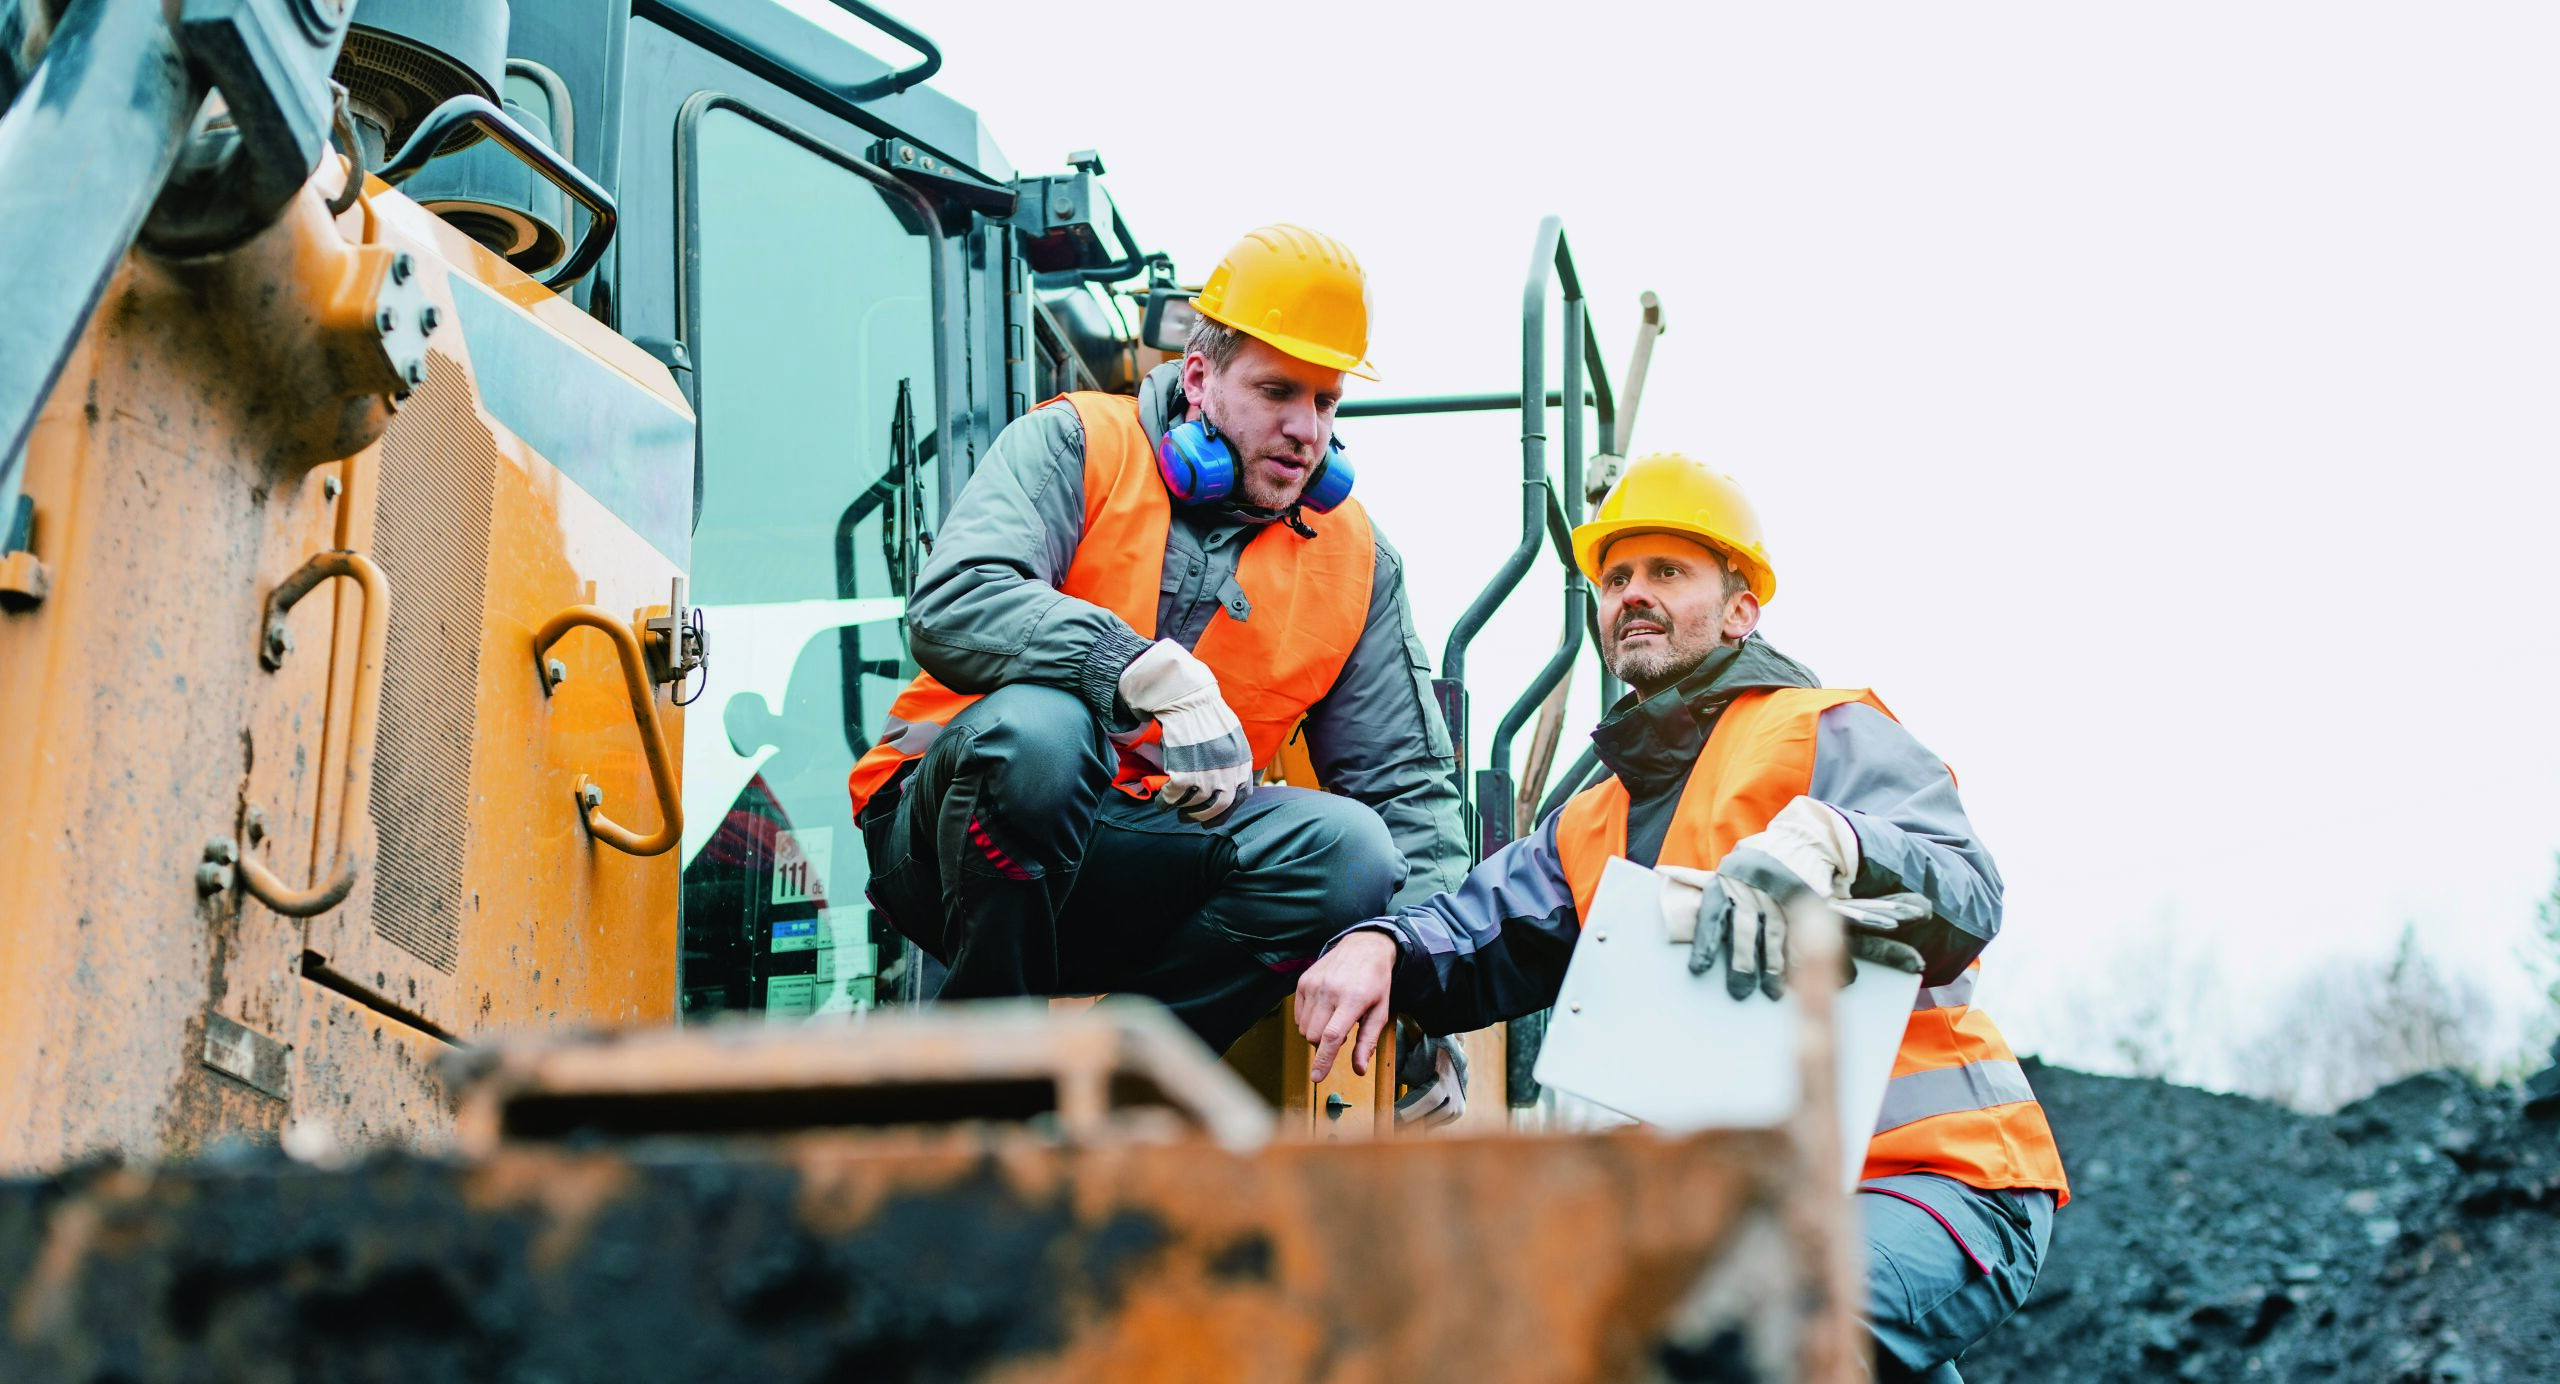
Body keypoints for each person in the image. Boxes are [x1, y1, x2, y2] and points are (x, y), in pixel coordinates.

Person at [1290, 452, 2068, 1379]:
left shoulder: (1822, 731)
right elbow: (1474, 932)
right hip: (1775, 1211)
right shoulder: (1593, 821)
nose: (1635, 595)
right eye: (1618, 578)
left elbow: (1969, 894)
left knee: (1742, 1324)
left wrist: (1842, 841)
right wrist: (1383, 941)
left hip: (1939, 1176)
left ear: (1741, 608)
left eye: (1669, 572)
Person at [848, 224, 1469, 1065]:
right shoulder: (1076, 442)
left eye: (1326, 402)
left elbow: (1407, 789)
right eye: (1278, 391)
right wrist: (1130, 666)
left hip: (1150, 865)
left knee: (1352, 853)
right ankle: (983, 1077)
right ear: (1201, 379)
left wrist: (1421, 978)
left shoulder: (1358, 559)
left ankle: (1121, 1082)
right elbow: (958, 599)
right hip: (955, 844)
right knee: (1039, 735)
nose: (1306, 430)